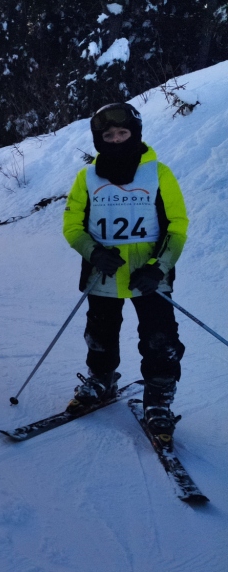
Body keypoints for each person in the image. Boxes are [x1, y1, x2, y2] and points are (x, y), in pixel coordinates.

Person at [63, 102, 187, 443]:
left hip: (150, 277)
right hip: (103, 275)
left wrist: (158, 268)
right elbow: (72, 225)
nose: (116, 140)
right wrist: (93, 252)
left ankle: (159, 395)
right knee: (99, 332)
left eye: (123, 133)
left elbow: (178, 227)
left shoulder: (159, 173)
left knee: (160, 337)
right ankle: (101, 377)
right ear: (99, 140)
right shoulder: (86, 178)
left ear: (135, 134)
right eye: (108, 135)